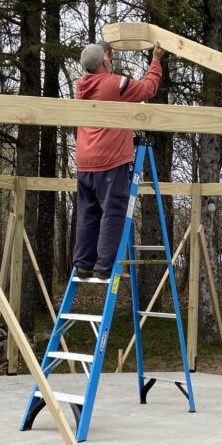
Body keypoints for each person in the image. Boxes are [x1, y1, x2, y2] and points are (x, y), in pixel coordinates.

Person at [72, 38, 165, 279]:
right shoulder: (115, 84)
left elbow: (101, 73)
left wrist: (105, 54)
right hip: (110, 162)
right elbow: (148, 88)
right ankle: (105, 267)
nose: (110, 60)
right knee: (113, 212)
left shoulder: (81, 85)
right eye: (108, 58)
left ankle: (83, 264)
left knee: (88, 213)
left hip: (85, 162)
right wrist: (155, 60)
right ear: (104, 61)